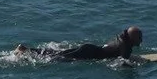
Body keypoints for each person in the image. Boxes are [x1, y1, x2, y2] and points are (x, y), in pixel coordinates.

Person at [16, 26, 144, 63]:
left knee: (57, 53)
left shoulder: (120, 38)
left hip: (89, 48)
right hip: (89, 53)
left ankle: (25, 50)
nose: (141, 40)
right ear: (133, 38)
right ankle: (25, 53)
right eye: (139, 37)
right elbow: (122, 63)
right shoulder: (125, 47)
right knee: (55, 58)